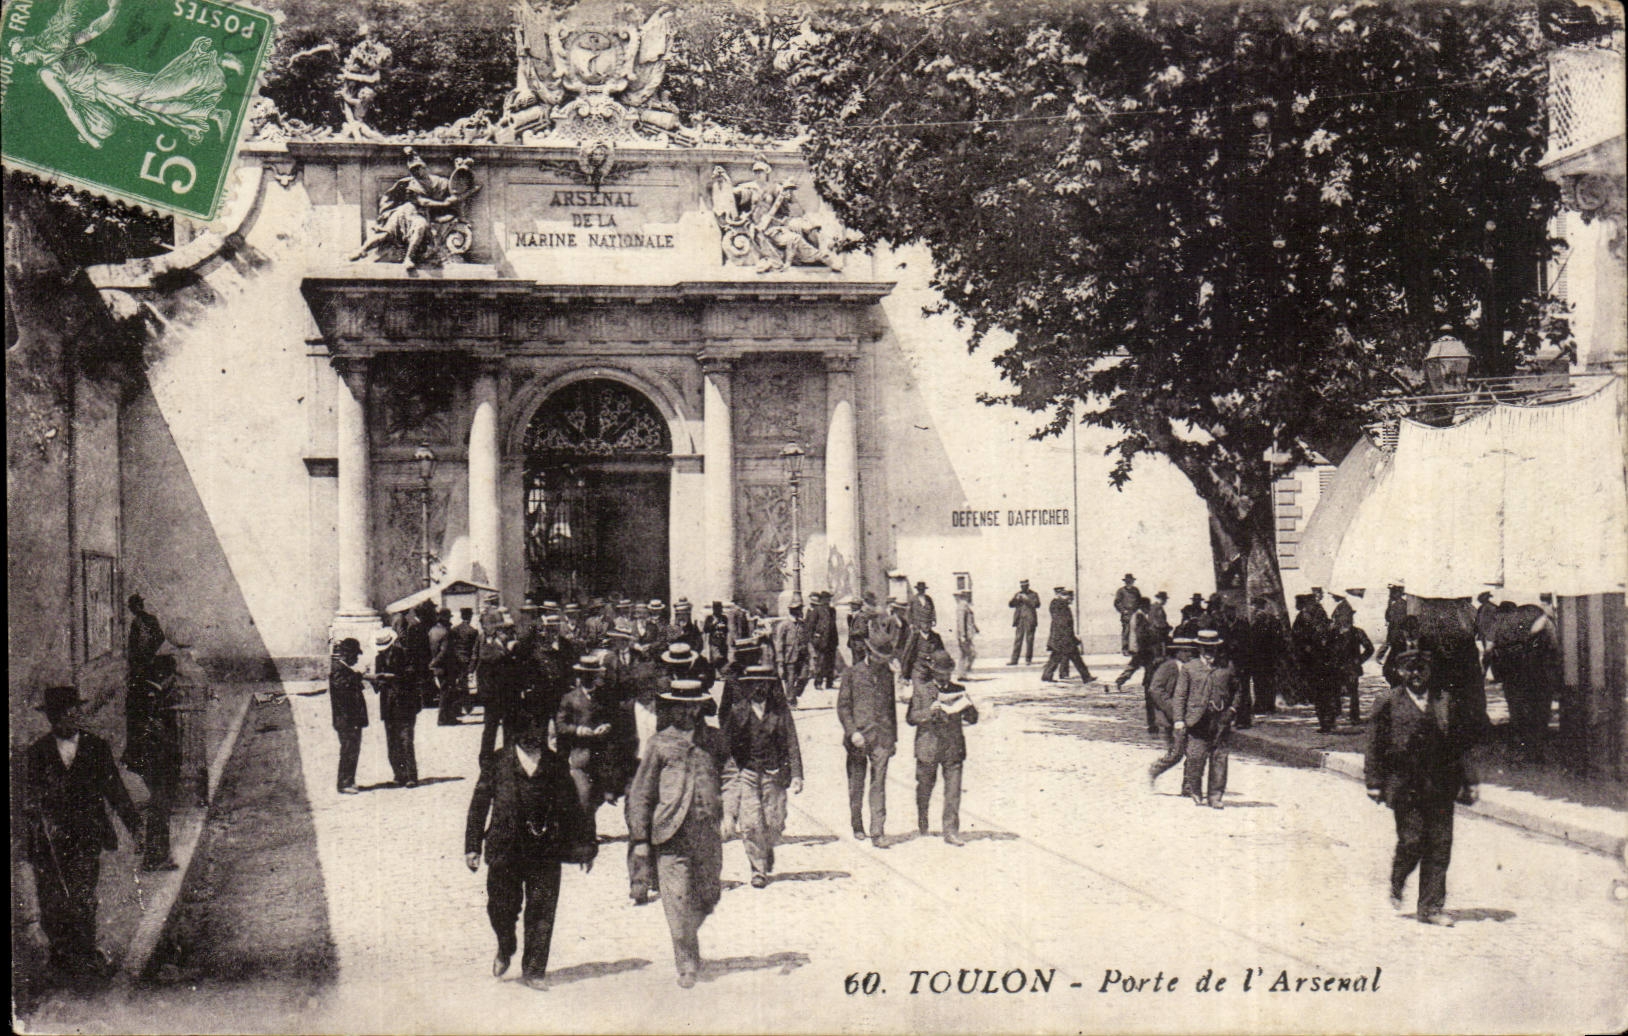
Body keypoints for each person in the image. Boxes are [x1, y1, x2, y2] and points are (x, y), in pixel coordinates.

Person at [464, 720, 597, 990]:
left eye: (539, 728)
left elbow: (573, 808)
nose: (534, 734)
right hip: (504, 848)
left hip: (545, 848)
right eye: (528, 728)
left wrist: (584, 846)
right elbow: (479, 802)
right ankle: (506, 944)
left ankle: (534, 970)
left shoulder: (556, 764)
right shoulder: (498, 761)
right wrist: (472, 845)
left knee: (542, 910)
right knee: (501, 907)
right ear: (514, 730)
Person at [20, 685, 143, 977]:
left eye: (74, 711)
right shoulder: (37, 753)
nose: (71, 718)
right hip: (52, 840)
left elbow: (115, 789)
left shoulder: (95, 747)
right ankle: (60, 955)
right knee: (52, 897)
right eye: (63, 714)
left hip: (87, 835)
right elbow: (29, 798)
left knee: (83, 894)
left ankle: (86, 956)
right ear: (52, 718)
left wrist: (135, 827)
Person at [627, 680, 730, 988]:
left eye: (693, 706)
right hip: (670, 835)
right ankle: (686, 963)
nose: (687, 712)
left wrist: (730, 810)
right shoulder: (659, 743)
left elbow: (732, 774)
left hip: (706, 834)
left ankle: (688, 936)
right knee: (676, 901)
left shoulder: (714, 739)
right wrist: (640, 840)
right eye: (680, 706)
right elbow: (641, 793)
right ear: (672, 708)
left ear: (700, 707)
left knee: (709, 896)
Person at [1364, 648, 1478, 926]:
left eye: (1422, 669)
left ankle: (1431, 908)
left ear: (1430, 671)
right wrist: (1374, 782)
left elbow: (1460, 745)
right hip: (1405, 785)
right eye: (1409, 670)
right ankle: (1397, 879)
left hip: (1441, 783)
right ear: (1400, 672)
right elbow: (1374, 745)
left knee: (1440, 845)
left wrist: (1470, 780)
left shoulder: (1444, 701)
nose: (1416, 675)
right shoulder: (1388, 701)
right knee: (1412, 841)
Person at [721, 671, 803, 887]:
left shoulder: (779, 711)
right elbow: (726, 747)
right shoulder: (738, 712)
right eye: (753, 684)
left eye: (763, 684)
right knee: (750, 822)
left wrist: (796, 774)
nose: (758, 688)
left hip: (774, 774)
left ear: (769, 686)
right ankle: (758, 869)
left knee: (774, 821)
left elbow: (792, 741)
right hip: (747, 773)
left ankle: (766, 849)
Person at [554, 655, 638, 821]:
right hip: (581, 756)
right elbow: (560, 725)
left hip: (603, 758)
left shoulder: (605, 696)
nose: (590, 678)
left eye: (593, 674)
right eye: (586, 674)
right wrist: (577, 730)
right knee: (583, 797)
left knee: (598, 797)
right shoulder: (570, 698)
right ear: (579, 675)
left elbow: (615, 720)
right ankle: (583, 835)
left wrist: (607, 726)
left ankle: (586, 827)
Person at [909, 649, 979, 845]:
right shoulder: (922, 690)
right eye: (941, 672)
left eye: (948, 672)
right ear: (933, 671)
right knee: (924, 787)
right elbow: (911, 717)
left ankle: (950, 831)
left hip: (952, 747)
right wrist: (929, 712)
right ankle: (923, 819)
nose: (945, 676)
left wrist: (967, 707)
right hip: (928, 746)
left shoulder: (958, 689)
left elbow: (973, 719)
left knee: (953, 791)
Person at [121, 649, 182, 871]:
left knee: (158, 807)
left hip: (149, 759)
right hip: (156, 760)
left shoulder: (141, 691)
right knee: (160, 806)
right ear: (165, 676)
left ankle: (156, 853)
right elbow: (154, 732)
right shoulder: (150, 696)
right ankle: (156, 856)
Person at [838, 639, 898, 844]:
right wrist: (852, 732)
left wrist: (893, 739)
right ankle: (857, 824)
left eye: (885, 659)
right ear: (869, 653)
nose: (882, 662)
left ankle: (877, 831)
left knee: (878, 784)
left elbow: (891, 708)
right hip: (858, 739)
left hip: (882, 738)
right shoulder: (852, 673)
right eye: (879, 658)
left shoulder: (887, 674)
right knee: (856, 785)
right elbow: (843, 707)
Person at [1174, 630, 1238, 808]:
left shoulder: (1227, 667)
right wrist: (1179, 719)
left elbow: (1238, 690)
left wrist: (1232, 709)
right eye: (1206, 648)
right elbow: (1180, 695)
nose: (1209, 652)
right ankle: (1195, 789)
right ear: (1200, 649)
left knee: (1219, 758)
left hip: (1220, 720)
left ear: (1218, 648)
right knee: (1195, 757)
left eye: (1213, 648)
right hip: (1197, 720)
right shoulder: (1190, 668)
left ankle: (1215, 796)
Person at [372, 627, 420, 787]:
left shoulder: (404, 654)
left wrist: (395, 678)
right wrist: (376, 681)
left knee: (406, 740)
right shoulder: (379, 659)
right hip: (388, 705)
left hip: (405, 703)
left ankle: (411, 775)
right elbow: (378, 684)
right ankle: (398, 774)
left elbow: (412, 677)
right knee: (392, 741)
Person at [1147, 637, 1198, 787]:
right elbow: (1155, 690)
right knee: (1176, 752)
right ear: (1177, 652)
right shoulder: (1168, 667)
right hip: (1170, 718)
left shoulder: (1192, 668)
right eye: (1185, 651)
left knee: (1193, 752)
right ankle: (1154, 770)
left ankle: (1189, 786)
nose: (1189, 654)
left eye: (1191, 652)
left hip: (1188, 716)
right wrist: (1173, 709)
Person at [477, 613, 523, 764]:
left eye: (498, 626)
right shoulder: (484, 642)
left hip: (508, 693)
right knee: (491, 727)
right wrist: (507, 651)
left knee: (509, 727)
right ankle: (485, 759)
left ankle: (509, 756)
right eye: (492, 625)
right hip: (492, 694)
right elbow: (487, 657)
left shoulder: (504, 640)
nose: (497, 629)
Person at [328, 638, 370, 795]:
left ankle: (349, 780)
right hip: (346, 720)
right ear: (348, 655)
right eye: (355, 656)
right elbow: (343, 690)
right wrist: (359, 677)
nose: (357, 659)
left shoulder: (343, 670)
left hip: (350, 719)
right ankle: (344, 783)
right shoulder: (338, 670)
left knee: (352, 749)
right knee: (348, 750)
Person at [1328, 609, 1376, 725]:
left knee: (1353, 692)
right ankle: (1334, 715)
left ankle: (1354, 717)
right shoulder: (1333, 633)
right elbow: (1327, 649)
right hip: (1336, 667)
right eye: (1340, 617)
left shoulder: (1358, 632)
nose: (1344, 620)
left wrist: (1359, 660)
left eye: (1347, 617)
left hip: (1351, 668)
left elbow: (1369, 648)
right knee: (1334, 691)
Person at [1041, 588, 1093, 684]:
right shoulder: (1059, 606)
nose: (1071, 601)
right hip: (1063, 638)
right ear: (1064, 596)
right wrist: (1071, 637)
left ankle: (1046, 675)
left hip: (1062, 637)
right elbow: (1063, 623)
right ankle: (1086, 677)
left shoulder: (1060, 605)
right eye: (1070, 598)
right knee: (1075, 658)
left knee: (1057, 657)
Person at [440, 607, 480, 723]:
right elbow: (474, 649)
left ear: (462, 616)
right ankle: (466, 706)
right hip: (467, 660)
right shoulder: (473, 631)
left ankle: (457, 708)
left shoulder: (454, 629)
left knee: (456, 685)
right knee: (464, 684)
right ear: (470, 617)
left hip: (456, 660)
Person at [126, 593, 168, 689]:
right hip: (150, 657)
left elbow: (133, 644)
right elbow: (161, 637)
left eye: (131, 607)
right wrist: (152, 650)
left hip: (140, 660)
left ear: (136, 606)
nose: (130, 610)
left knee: (139, 686)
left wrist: (135, 658)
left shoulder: (136, 622)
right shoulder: (152, 619)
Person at [773, 602, 811, 706]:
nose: (801, 611)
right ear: (793, 611)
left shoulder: (802, 624)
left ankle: (795, 693)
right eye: (799, 609)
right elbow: (779, 644)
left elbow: (807, 640)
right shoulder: (784, 625)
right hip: (789, 656)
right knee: (790, 679)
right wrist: (780, 661)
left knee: (804, 676)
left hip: (802, 656)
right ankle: (790, 701)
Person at [1115, 596, 1156, 691]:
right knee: (1147, 665)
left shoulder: (1136, 615)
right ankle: (1147, 683)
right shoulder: (1140, 616)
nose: (1149, 609)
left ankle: (1120, 681)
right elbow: (1141, 633)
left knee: (1135, 665)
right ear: (1143, 606)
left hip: (1138, 646)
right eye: (1148, 607)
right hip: (1141, 647)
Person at [808, 591, 841, 690]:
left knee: (830, 662)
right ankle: (818, 683)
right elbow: (811, 626)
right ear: (822, 599)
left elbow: (833, 625)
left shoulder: (832, 610)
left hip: (831, 640)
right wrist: (814, 638)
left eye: (829, 599)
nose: (829, 601)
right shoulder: (817, 610)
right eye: (827, 599)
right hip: (821, 641)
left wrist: (836, 639)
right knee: (821, 663)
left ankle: (829, 683)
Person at [1008, 580, 1041, 666]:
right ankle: (1014, 660)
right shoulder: (1018, 594)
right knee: (1018, 639)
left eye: (1025, 586)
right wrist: (1016, 599)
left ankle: (1028, 659)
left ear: (1028, 585)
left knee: (1029, 639)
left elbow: (1037, 604)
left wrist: (1027, 599)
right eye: (1022, 586)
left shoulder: (1033, 594)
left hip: (1030, 619)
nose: (1023, 588)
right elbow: (1011, 605)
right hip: (1020, 620)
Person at [952, 589, 979, 680]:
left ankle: (962, 675)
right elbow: (961, 622)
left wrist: (975, 628)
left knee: (964, 654)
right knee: (971, 653)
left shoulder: (965, 606)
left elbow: (969, 620)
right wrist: (963, 635)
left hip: (966, 635)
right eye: (967, 595)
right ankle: (963, 673)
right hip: (964, 635)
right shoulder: (962, 606)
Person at [1114, 574, 1141, 655]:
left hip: (1135, 613)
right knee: (1126, 631)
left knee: (1136, 631)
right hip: (1126, 614)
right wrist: (1123, 610)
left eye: (1131, 581)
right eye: (1128, 581)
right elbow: (1117, 603)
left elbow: (1139, 600)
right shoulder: (1121, 591)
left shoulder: (1136, 590)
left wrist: (1137, 609)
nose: (1129, 583)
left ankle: (1134, 649)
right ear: (1125, 582)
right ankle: (1125, 649)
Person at [703, 601, 731, 666]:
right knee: (716, 660)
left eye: (720, 609)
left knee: (723, 661)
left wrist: (723, 628)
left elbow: (726, 630)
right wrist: (713, 624)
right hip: (714, 643)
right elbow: (705, 630)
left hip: (723, 643)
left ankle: (722, 674)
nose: (719, 610)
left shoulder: (724, 618)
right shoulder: (709, 618)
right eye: (717, 609)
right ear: (714, 609)